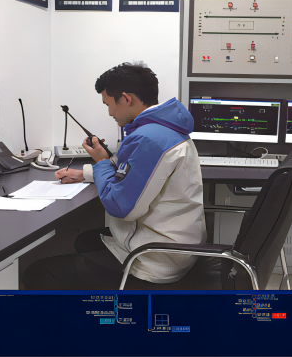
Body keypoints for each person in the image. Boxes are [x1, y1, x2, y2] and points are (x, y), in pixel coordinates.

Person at [22, 62, 206, 290]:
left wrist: (101, 162)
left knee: (39, 272)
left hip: (154, 260)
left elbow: (121, 207)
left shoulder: (149, 139)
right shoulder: (166, 129)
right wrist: (85, 173)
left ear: (126, 99)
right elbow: (136, 173)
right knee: (84, 241)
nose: (109, 113)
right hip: (176, 244)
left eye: (109, 104)